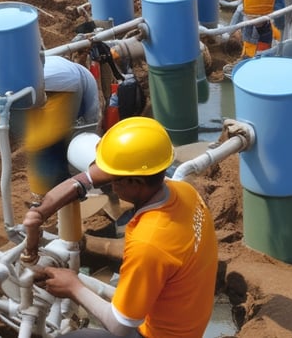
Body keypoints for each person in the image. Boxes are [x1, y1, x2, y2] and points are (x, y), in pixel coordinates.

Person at [22, 116, 218, 338]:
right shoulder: (183, 192)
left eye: (115, 179)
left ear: (136, 181)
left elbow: (121, 327)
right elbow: (90, 177)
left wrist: (73, 287)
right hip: (188, 322)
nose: (110, 183)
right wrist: (41, 211)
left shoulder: (149, 242)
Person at [21, 55, 100, 198]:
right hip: (67, 79)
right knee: (50, 141)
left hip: (67, 82)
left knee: (48, 142)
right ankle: (66, 190)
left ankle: (69, 192)